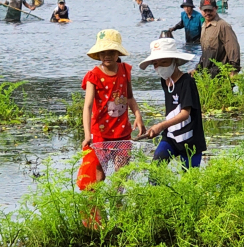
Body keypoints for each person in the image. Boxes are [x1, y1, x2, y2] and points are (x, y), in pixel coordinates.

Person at [81, 29, 145, 179]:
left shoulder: (125, 71)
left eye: (111, 51)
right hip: (100, 134)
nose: (107, 55)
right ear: (98, 54)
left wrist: (138, 115)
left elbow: (129, 97)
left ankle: (119, 203)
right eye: (103, 52)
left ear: (118, 53)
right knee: (99, 175)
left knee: (121, 174)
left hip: (122, 133)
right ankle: (95, 203)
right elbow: (88, 107)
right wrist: (87, 135)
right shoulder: (93, 75)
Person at [139, 38, 205, 169]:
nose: (160, 67)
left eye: (164, 62)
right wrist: (160, 129)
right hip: (170, 137)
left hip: (190, 140)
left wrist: (160, 126)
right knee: (156, 170)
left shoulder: (187, 82)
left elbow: (185, 114)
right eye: (156, 63)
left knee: (189, 180)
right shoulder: (165, 82)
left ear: (174, 61)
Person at [191, 0, 240, 79]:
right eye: (205, 10)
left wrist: (234, 71)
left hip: (221, 74)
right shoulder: (203, 26)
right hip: (207, 74)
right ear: (200, 9)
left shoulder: (223, 26)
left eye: (210, 10)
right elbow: (205, 52)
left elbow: (233, 49)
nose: (207, 13)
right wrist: (197, 68)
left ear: (216, 8)